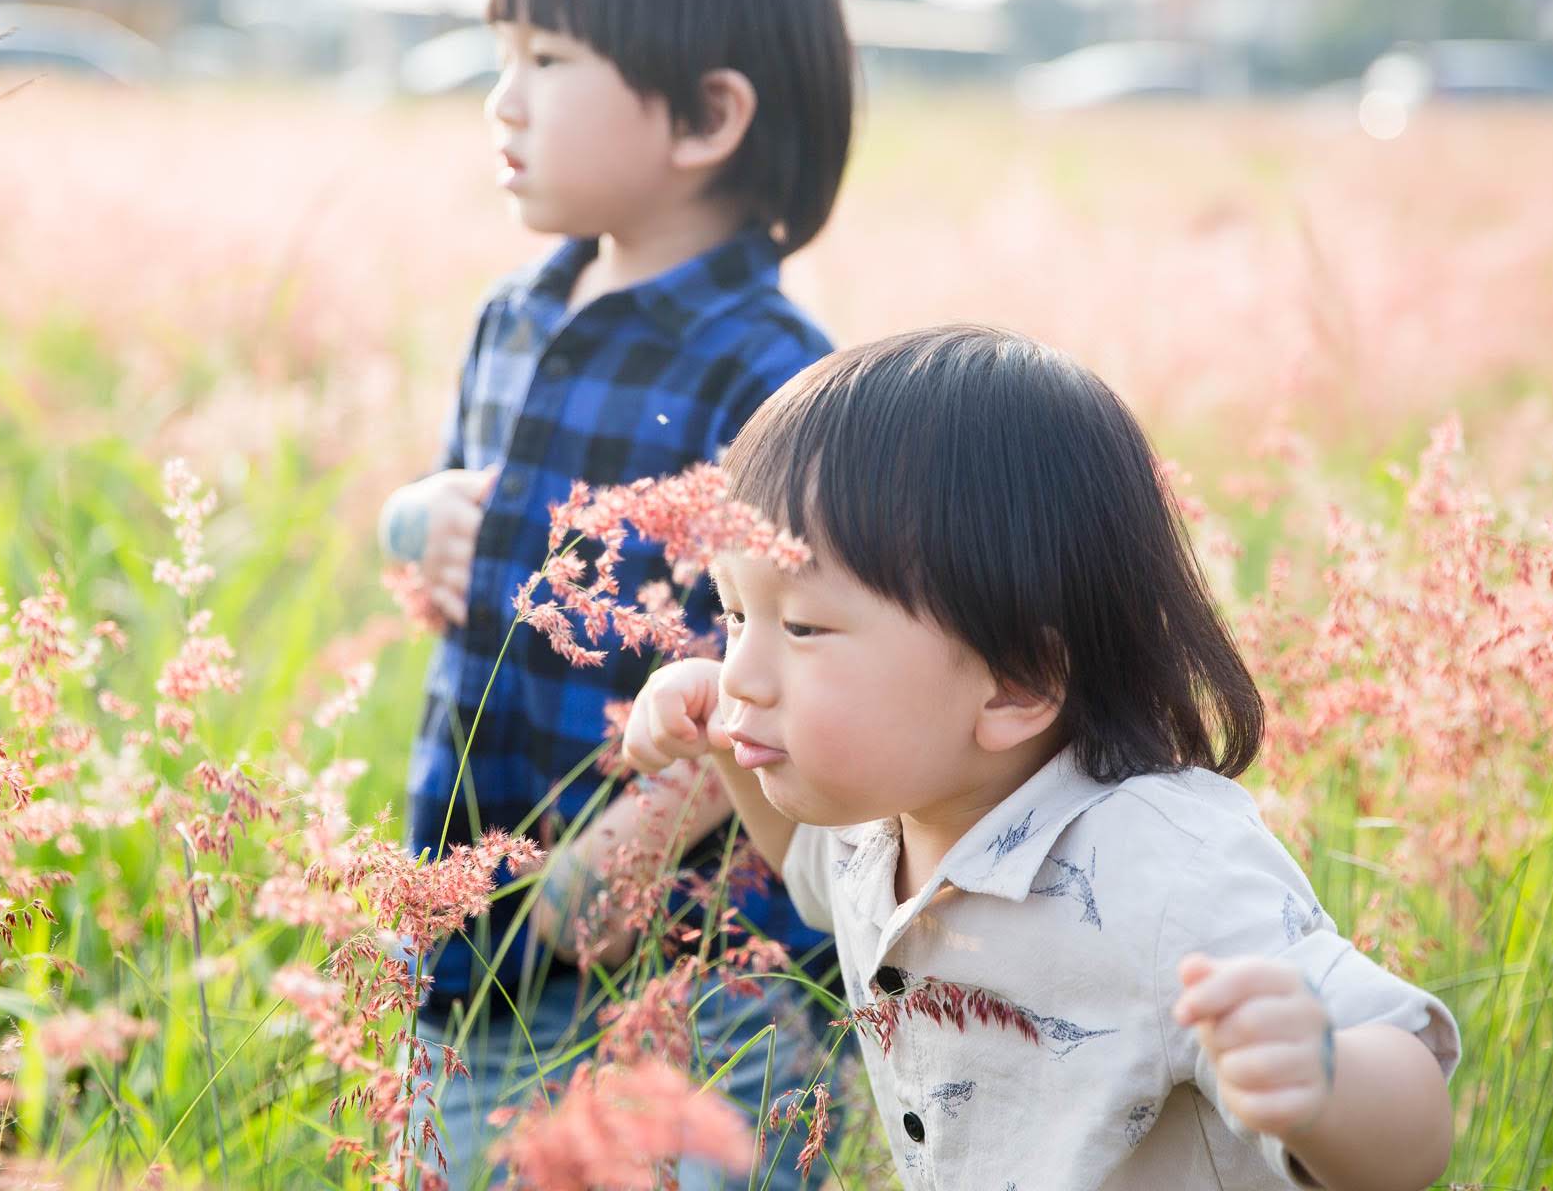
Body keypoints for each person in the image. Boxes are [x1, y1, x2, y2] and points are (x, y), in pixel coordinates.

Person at [619, 327, 1462, 1190]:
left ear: (1015, 684)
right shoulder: (889, 813)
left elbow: (1416, 1118)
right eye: (732, 615)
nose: (741, 675)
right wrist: (729, 747)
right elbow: (809, 873)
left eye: (800, 627)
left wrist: (1321, 1082)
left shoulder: (1165, 869)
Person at [376, 0, 855, 1182]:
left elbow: (796, 647)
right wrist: (416, 523)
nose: (501, 99)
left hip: (698, 960)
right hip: (487, 906)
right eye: (504, 54)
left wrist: (642, 833)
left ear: (705, 116)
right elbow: (457, 515)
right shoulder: (515, 315)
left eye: (547, 60)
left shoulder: (773, 374)